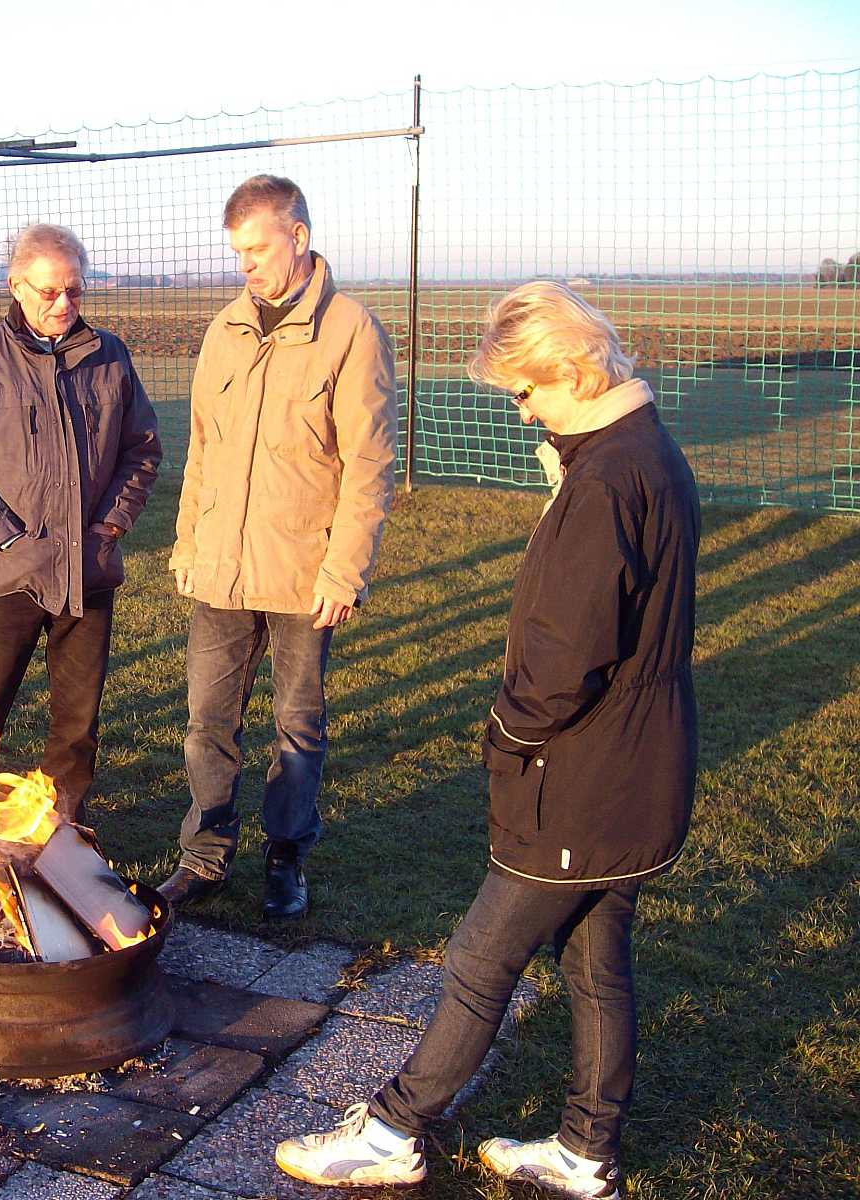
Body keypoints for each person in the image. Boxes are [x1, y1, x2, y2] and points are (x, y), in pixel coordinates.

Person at [273, 282, 700, 1198]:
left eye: (526, 390)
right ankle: (586, 1153)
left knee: (478, 959)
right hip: (644, 771)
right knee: (594, 962)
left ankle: (394, 1131)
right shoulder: (644, 448)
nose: (522, 411)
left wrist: (507, 735)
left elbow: (565, 655)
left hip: (585, 779)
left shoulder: (608, 480)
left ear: (571, 370)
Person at [159, 175, 398, 920]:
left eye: (258, 250)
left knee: (297, 727)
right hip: (220, 570)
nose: (247, 267)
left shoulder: (351, 331)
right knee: (207, 722)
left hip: (304, 572)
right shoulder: (224, 329)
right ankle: (204, 856)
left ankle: (286, 856)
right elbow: (203, 449)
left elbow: (368, 464)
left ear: (298, 236)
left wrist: (345, 570)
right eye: (238, 253)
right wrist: (189, 544)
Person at [0, 223, 162, 824]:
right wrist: (7, 535)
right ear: (16, 286)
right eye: (49, 292)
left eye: (74, 291)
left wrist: (109, 527)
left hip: (89, 571)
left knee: (77, 726)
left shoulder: (109, 356)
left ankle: (61, 830)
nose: (63, 304)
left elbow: (141, 450)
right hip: (8, 574)